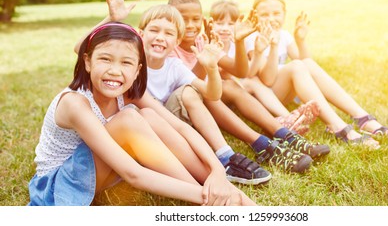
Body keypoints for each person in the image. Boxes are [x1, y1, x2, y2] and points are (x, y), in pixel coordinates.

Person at [29, 21, 255, 206]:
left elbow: (181, 128)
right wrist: (203, 195)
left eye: (126, 63)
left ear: (138, 69)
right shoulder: (74, 103)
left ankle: (232, 196)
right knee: (129, 120)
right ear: (87, 62)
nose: (115, 71)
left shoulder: (128, 91)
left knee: (149, 116)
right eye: (105, 59)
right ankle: (211, 201)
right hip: (60, 184)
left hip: (103, 169)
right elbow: (133, 174)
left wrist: (217, 172)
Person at [167, 0, 329, 173]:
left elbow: (241, 71)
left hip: (207, 100)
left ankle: (285, 135)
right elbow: (185, 82)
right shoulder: (168, 43)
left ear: (202, 19)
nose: (190, 25)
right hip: (183, 107)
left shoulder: (202, 40)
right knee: (207, 91)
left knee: (229, 85)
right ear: (170, 19)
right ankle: (262, 144)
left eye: (195, 19)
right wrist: (206, 62)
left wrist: (239, 41)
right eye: (183, 19)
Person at [243, 0, 388, 149]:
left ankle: (362, 117)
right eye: (265, 15)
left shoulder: (284, 35)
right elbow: (267, 79)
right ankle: (338, 127)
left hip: (283, 90)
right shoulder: (253, 38)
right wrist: (273, 46)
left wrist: (300, 40)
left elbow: (307, 64)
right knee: (297, 66)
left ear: (284, 14)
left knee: (303, 64)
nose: (271, 19)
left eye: (276, 13)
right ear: (255, 16)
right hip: (268, 98)